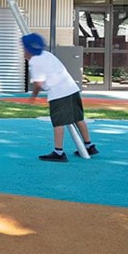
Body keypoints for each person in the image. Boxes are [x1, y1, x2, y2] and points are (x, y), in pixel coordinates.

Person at [23, 33, 97, 162]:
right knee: (78, 118)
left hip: (58, 92)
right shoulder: (47, 55)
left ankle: (59, 152)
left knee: (58, 122)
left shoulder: (35, 61)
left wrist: (33, 97)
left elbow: (38, 83)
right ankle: (89, 145)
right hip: (71, 88)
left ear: (29, 48)